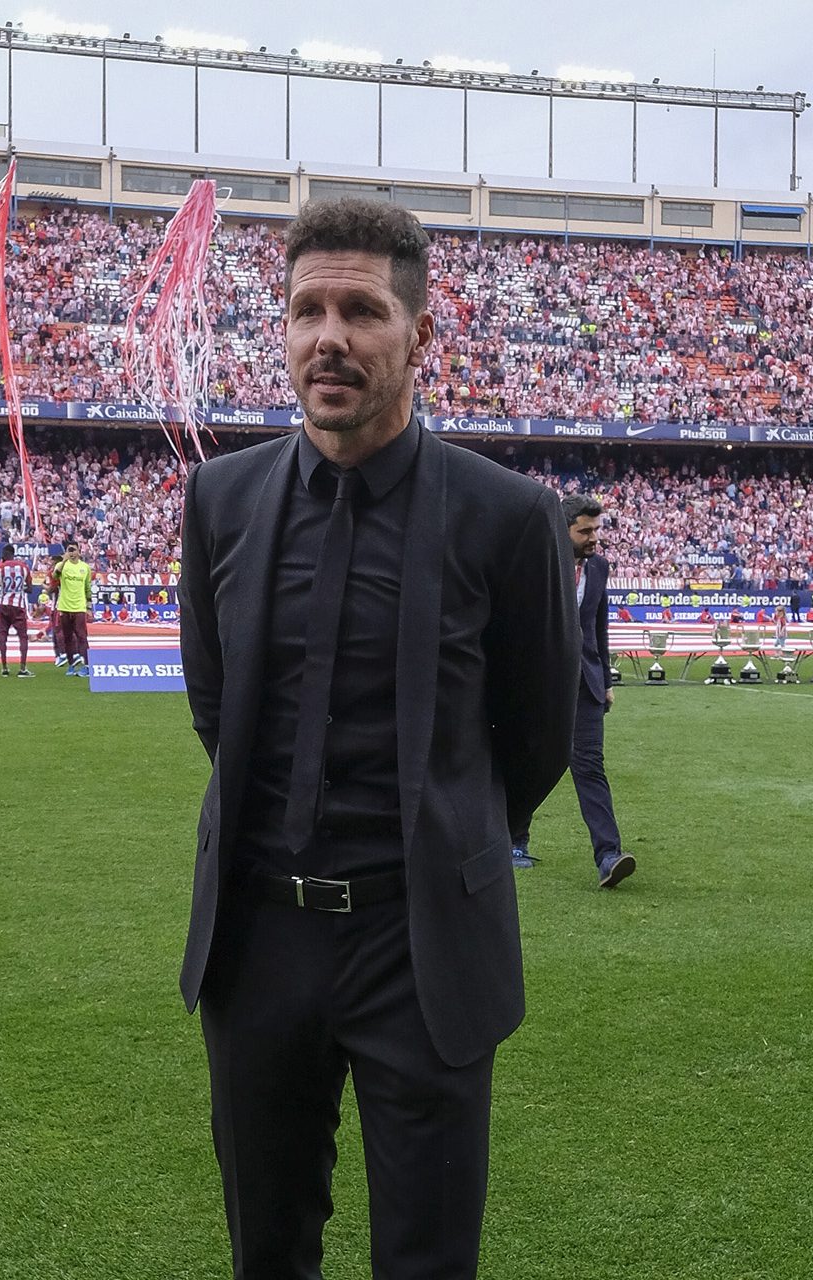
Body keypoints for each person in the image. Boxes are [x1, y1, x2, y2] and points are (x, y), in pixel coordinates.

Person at [176, 197, 578, 1279]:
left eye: (361, 310)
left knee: (428, 1259)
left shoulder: (508, 516)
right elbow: (215, 704)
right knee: (269, 1251)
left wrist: (446, 849)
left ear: (419, 333)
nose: (330, 338)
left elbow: (537, 732)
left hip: (424, 944)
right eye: (307, 310)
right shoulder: (221, 498)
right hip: (259, 942)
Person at [510, 494, 634, 887]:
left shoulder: (599, 567)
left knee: (589, 767)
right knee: (529, 761)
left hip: (588, 684)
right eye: (585, 530)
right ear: (563, 530)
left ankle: (609, 855)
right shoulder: (537, 561)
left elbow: (599, 626)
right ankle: (514, 841)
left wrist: (607, 682)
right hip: (539, 680)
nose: (594, 536)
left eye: (596, 528)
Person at [51, 541, 93, 676]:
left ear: (79, 551)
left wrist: (89, 606)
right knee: (67, 637)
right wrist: (64, 561)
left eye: (74, 550)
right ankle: (71, 665)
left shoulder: (85, 567)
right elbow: (55, 576)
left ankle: (86, 665)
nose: (72, 553)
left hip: (79, 606)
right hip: (64, 606)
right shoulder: (61, 566)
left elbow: (87, 588)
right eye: (69, 550)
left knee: (82, 636)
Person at [0, 541, 34, 678]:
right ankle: (22, 668)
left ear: (4, 555)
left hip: (4, 605)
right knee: (23, 637)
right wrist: (20, 588)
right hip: (19, 605)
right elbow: (30, 588)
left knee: (2, 636)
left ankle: (4, 667)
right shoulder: (23, 567)